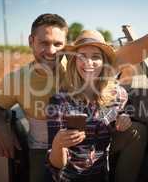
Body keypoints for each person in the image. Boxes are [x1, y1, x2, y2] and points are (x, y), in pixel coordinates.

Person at [0, 0, 148, 182]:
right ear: (31, 41)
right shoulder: (18, 79)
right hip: (45, 147)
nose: (52, 51)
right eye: (44, 42)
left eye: (58, 44)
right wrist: (1, 128)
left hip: (94, 141)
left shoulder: (78, 62)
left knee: (136, 131)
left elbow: (134, 51)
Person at [46, 30, 132, 182]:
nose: (88, 63)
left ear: (104, 62)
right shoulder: (59, 101)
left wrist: (125, 118)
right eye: (82, 57)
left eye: (96, 57)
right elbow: (56, 166)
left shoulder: (119, 95)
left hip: (102, 176)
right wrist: (58, 143)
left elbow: (123, 113)